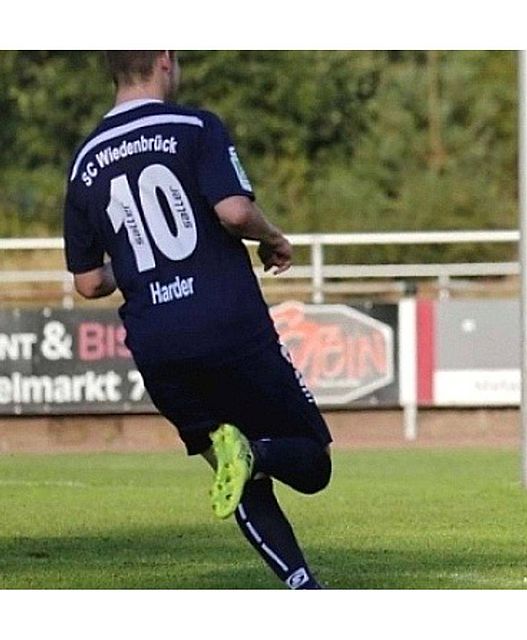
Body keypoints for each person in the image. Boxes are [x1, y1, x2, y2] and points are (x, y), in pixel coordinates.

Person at [63, 51, 333, 589]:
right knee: (311, 465)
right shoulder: (194, 126)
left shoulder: (83, 161)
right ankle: (257, 454)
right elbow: (233, 211)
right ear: (165, 59)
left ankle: (302, 586)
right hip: (228, 326)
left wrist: (137, 257)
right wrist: (274, 237)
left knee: (238, 475)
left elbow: (89, 282)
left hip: (159, 345)